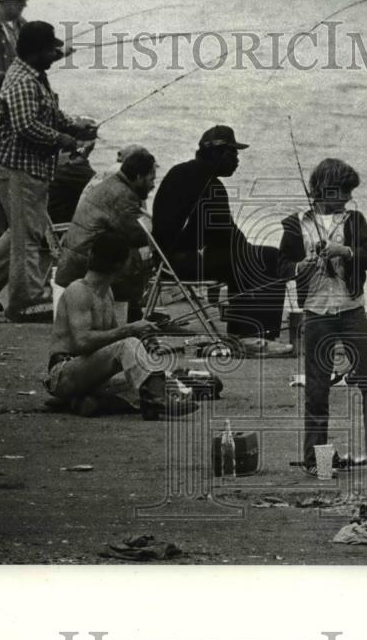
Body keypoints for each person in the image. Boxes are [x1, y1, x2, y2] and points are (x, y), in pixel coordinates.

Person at [0, 21, 97, 324]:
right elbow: (26, 127)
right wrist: (60, 139)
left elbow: (45, 114)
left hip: (16, 163)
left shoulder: (33, 73)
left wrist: (73, 125)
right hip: (14, 166)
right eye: (51, 49)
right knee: (30, 236)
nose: (55, 53)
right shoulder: (24, 82)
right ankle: (25, 301)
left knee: (28, 227)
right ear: (36, 52)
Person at [279, 158, 367, 475]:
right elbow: (280, 267)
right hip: (316, 314)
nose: (347, 197)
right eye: (342, 190)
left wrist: (344, 252)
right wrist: (299, 268)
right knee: (317, 392)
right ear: (322, 189)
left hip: (352, 311)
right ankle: (317, 463)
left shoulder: (355, 221)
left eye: (350, 191)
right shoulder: (295, 225)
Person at [152, 125, 292, 355]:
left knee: (251, 256)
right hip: (179, 263)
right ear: (220, 154)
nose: (237, 160)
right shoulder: (208, 184)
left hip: (168, 259)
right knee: (265, 258)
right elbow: (227, 234)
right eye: (234, 154)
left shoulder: (184, 172)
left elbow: (218, 233)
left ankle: (251, 333)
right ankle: (249, 336)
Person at [45, 233, 198, 420]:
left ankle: (87, 401)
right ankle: (155, 402)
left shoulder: (106, 292)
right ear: (120, 264)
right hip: (64, 373)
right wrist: (130, 330)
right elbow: (82, 343)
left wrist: (144, 342)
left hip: (91, 375)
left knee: (169, 383)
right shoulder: (78, 291)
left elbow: (113, 344)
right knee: (129, 348)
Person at [54, 147, 157, 322]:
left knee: (128, 252)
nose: (153, 185)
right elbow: (139, 235)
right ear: (139, 177)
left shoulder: (113, 184)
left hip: (74, 255)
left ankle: (130, 314)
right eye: (151, 179)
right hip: (85, 260)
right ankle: (127, 318)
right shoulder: (123, 195)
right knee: (135, 259)